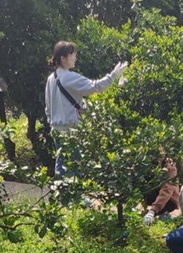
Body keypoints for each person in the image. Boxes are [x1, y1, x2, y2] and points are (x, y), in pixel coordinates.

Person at [44, 41, 126, 176]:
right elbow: (96, 87)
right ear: (63, 59)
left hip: (56, 129)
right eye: (72, 54)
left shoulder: (51, 78)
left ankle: (61, 193)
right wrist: (113, 75)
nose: (75, 57)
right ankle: (75, 196)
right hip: (71, 130)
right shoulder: (69, 77)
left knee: (61, 164)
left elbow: (49, 107)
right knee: (75, 168)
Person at [143, 155, 180, 224]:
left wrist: (153, 210)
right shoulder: (146, 161)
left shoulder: (169, 165)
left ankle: (163, 213)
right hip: (154, 194)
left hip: (169, 200)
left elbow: (167, 190)